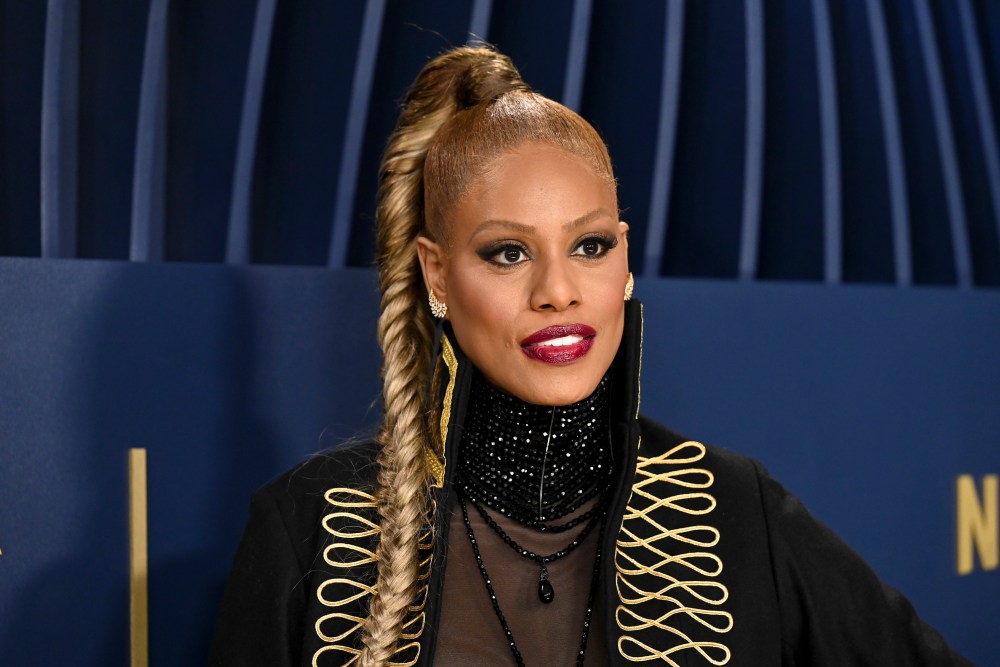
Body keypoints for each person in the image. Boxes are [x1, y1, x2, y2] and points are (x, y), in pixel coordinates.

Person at [209, 46, 972, 667]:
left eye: (590, 245)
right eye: (508, 252)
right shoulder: (308, 528)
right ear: (437, 274)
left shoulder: (736, 510)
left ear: (625, 259)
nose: (559, 291)